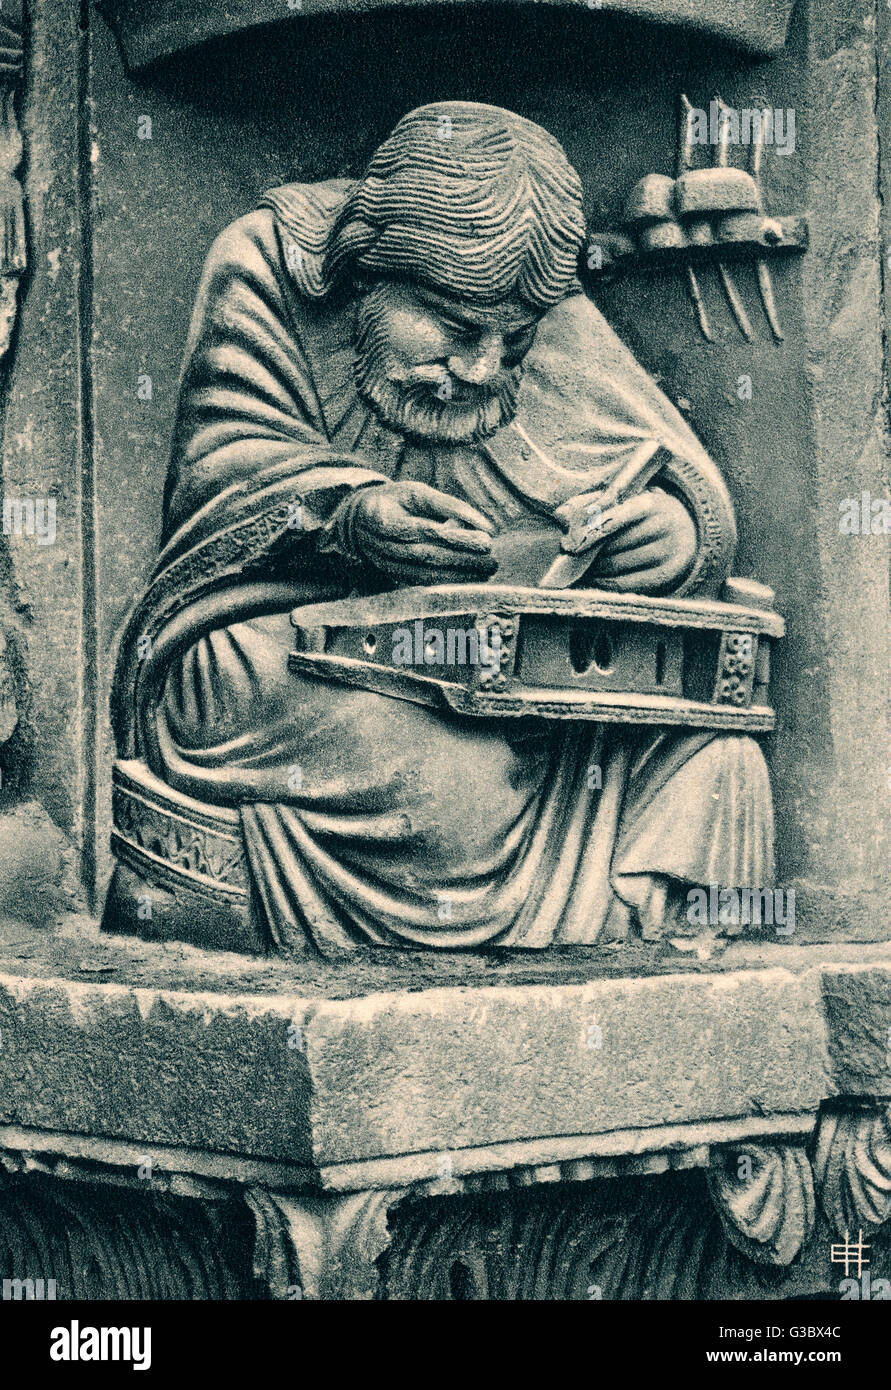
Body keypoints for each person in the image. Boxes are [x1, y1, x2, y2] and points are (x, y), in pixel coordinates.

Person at [109, 101, 773, 953]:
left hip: (517, 668)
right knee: (456, 783)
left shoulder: (527, 290)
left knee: (720, 759)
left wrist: (674, 535)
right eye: (457, 332)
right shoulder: (265, 261)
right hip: (277, 641)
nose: (482, 369)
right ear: (368, 270)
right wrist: (346, 517)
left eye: (516, 344)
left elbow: (657, 461)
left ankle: (647, 967)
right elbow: (218, 474)